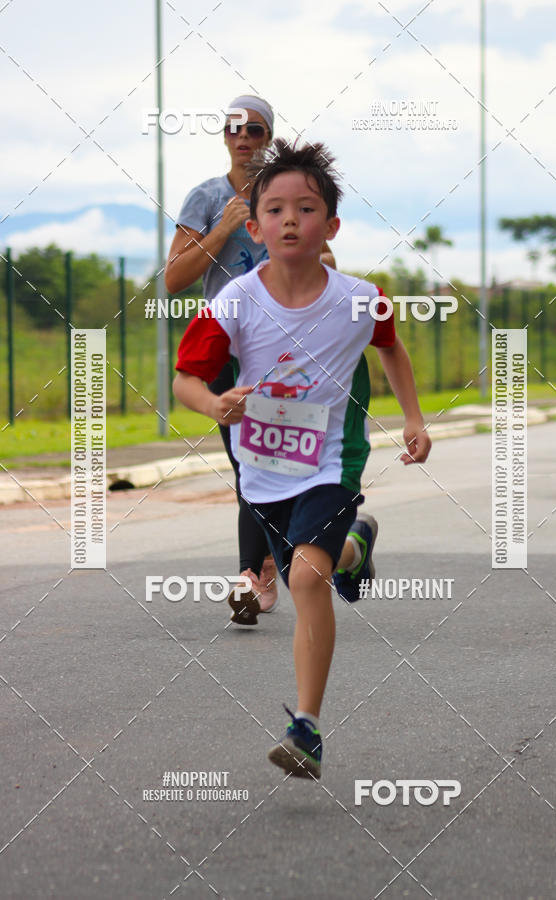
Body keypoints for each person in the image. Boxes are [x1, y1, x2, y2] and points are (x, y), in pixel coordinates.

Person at [173, 139, 431, 779]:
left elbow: (390, 349)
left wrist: (414, 419)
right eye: (276, 209)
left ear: (331, 227)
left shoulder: (359, 298)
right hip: (263, 472)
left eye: (307, 208)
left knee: (304, 581)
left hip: (331, 461)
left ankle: (306, 728)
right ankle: (357, 549)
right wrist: (214, 406)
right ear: (255, 226)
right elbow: (184, 379)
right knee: (317, 566)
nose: (291, 219)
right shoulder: (234, 302)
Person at [166, 96, 335, 621]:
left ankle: (257, 569)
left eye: (255, 129)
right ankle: (256, 570)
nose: (244, 138)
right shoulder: (207, 197)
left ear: (268, 136)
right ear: (223, 136)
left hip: (288, 349)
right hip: (225, 343)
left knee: (271, 461)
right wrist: (222, 229)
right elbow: (173, 279)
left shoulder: (286, 193)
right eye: (234, 128)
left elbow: (327, 259)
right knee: (250, 461)